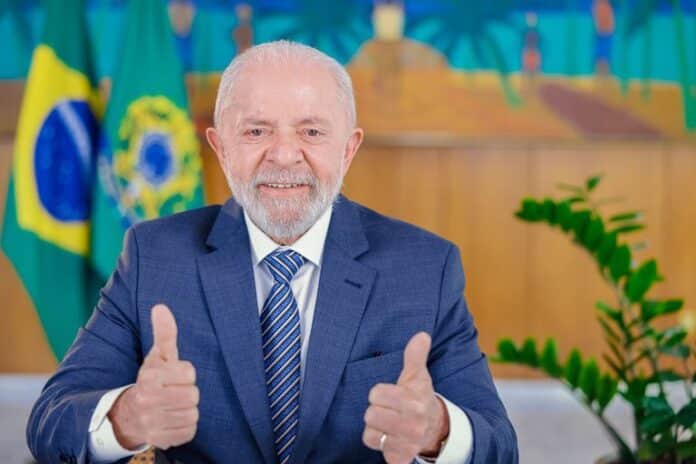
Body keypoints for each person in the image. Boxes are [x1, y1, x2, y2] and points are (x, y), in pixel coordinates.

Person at [26, 40, 518, 464]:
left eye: (311, 132)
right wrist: (127, 417)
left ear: (348, 149)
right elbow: (50, 421)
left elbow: (499, 446)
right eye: (256, 131)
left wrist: (437, 430)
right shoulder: (153, 256)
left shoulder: (426, 268)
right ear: (221, 148)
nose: (284, 155)